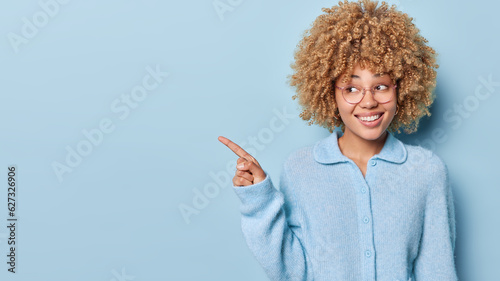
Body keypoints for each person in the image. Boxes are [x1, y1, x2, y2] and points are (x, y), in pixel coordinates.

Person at [218, 0, 458, 280]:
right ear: (328, 91)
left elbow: (438, 272)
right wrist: (259, 199)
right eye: (351, 88)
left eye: (380, 86)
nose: (368, 102)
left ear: (401, 88)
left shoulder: (427, 171)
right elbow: (292, 272)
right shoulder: (301, 168)